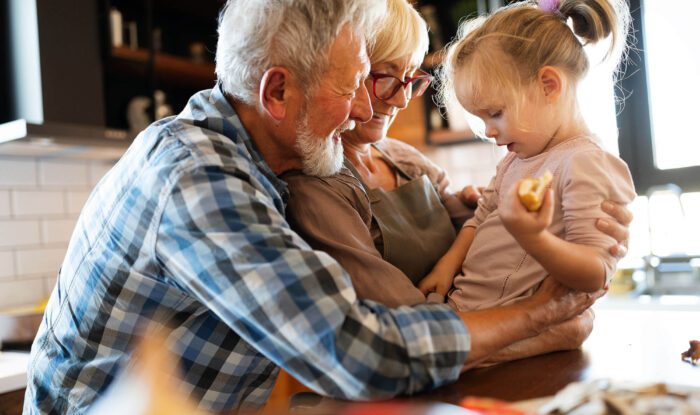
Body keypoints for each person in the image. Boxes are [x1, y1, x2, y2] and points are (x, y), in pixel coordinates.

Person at [25, 1, 602, 414]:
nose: (361, 111)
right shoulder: (195, 174)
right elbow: (352, 348)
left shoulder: (258, 164)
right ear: (277, 93)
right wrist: (542, 313)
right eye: (354, 84)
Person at [284, 0, 632, 360]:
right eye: (386, 77)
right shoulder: (315, 185)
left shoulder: (408, 159)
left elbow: (482, 224)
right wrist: (545, 316)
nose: (402, 98)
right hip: (425, 350)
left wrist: (492, 213)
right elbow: (399, 344)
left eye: (412, 79)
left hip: (469, 332)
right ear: (343, 74)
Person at [418, 0, 635, 311]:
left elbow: (596, 273)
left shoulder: (586, 163)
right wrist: (447, 265)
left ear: (549, 85)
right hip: (469, 314)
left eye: (495, 113)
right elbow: (479, 221)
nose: (489, 131)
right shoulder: (514, 162)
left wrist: (534, 239)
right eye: (481, 120)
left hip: (515, 335)